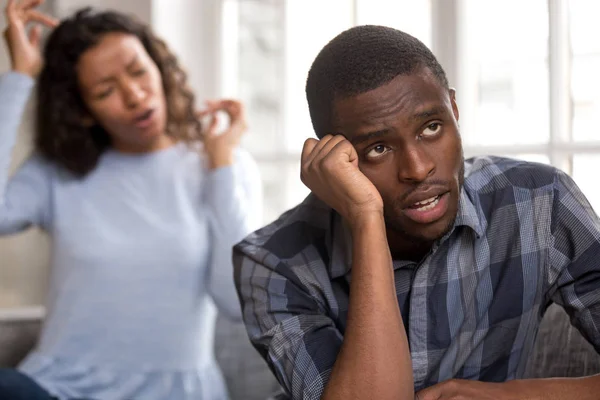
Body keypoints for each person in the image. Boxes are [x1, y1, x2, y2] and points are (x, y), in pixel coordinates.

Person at [233, 24, 600, 400]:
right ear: (337, 161)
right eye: (377, 148)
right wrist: (365, 216)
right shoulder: (272, 262)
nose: (417, 168)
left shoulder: (539, 201)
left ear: (455, 111)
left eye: (432, 127)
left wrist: (510, 397)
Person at [0, 1, 262, 399]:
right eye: (106, 90)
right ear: (84, 112)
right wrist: (19, 76)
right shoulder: (57, 171)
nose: (136, 95)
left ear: (159, 65)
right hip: (60, 390)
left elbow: (236, 301)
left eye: (139, 71)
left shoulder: (223, 165)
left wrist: (221, 167)